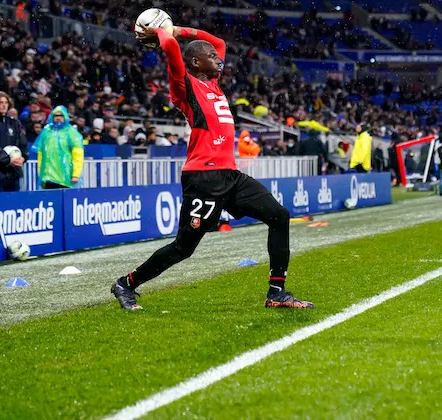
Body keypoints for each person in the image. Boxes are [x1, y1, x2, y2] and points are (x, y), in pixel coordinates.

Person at [112, 23, 312, 310]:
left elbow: (216, 41)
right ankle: (126, 284)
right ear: (195, 62)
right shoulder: (185, 84)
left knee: (279, 215)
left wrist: (178, 29)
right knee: (184, 247)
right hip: (203, 177)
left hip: (230, 175)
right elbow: (170, 49)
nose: (219, 59)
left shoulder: (214, 84)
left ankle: (277, 293)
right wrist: (163, 32)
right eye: (211, 57)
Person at [0, 91, 28, 192]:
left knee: (14, 206)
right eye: (0, 102)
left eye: (6, 102)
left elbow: (23, 143)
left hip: (14, 174)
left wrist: (23, 157)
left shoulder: (15, 123)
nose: (4, 105)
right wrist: (8, 160)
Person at [31, 106, 84, 189]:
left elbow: (78, 155)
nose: (58, 118)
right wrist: (40, 173)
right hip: (48, 178)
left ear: (65, 116)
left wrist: (75, 174)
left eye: (61, 115)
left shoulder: (71, 132)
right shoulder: (46, 131)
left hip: (65, 177)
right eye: (56, 115)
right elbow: (41, 154)